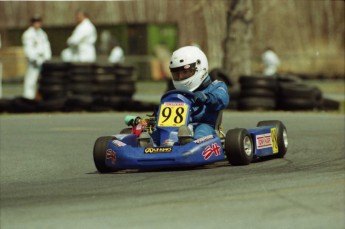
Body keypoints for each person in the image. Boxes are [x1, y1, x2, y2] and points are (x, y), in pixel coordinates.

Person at [138, 46, 230, 146]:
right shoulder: (175, 93)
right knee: (156, 132)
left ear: (199, 68)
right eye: (177, 74)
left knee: (202, 130)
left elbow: (222, 99)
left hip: (204, 126)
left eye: (185, 72)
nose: (180, 77)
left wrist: (206, 98)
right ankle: (148, 146)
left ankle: (191, 144)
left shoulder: (216, 86)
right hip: (175, 128)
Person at [22, 15, 52, 100]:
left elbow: (47, 46)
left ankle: (41, 97)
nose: (37, 24)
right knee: (31, 79)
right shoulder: (28, 34)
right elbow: (28, 48)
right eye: (35, 22)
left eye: (38, 22)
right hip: (34, 60)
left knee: (44, 81)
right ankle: (28, 97)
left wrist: (47, 57)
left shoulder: (42, 33)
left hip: (43, 59)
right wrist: (33, 58)